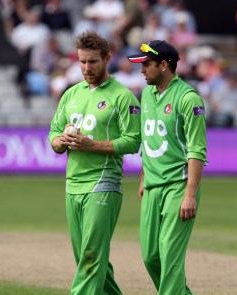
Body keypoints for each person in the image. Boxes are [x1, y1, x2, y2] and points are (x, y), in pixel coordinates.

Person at [49, 30, 141, 295]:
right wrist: (61, 140)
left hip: (103, 184)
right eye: (82, 62)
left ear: (107, 59)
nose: (86, 68)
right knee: (88, 260)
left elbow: (134, 141)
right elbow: (53, 134)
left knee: (91, 258)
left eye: (92, 62)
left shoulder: (122, 97)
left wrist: (93, 146)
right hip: (73, 185)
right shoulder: (71, 94)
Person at [127, 40, 207, 295]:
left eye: (146, 65)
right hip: (152, 186)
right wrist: (143, 178)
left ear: (164, 65)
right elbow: (148, 142)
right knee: (152, 257)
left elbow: (197, 150)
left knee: (170, 261)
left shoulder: (188, 98)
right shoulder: (147, 94)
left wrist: (190, 195)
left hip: (178, 187)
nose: (142, 70)